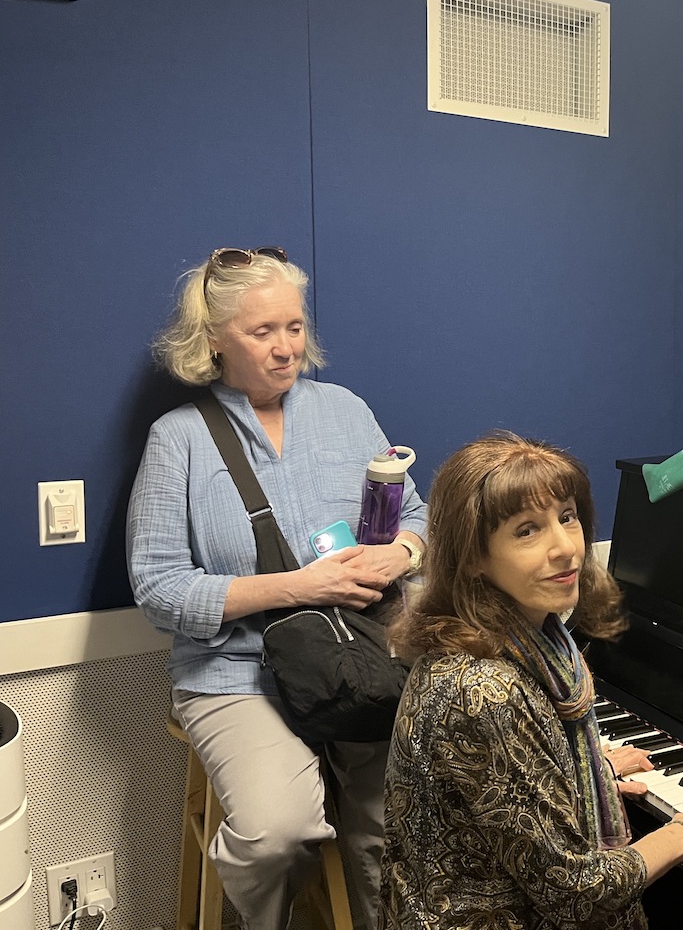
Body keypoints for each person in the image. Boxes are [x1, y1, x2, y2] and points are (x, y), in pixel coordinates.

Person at [127, 247, 427, 930]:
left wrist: (401, 555)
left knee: (402, 821)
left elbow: (417, 515)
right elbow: (159, 588)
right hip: (236, 672)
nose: (286, 348)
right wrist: (297, 586)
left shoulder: (346, 412)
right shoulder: (178, 440)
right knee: (276, 834)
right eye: (262, 332)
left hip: (362, 656)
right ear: (213, 341)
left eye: (293, 327)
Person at [379, 432, 683, 930]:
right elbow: (574, 893)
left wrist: (580, 770)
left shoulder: (535, 636)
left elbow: (505, 789)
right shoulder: (482, 690)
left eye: (566, 517)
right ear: (473, 556)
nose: (565, 548)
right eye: (527, 531)